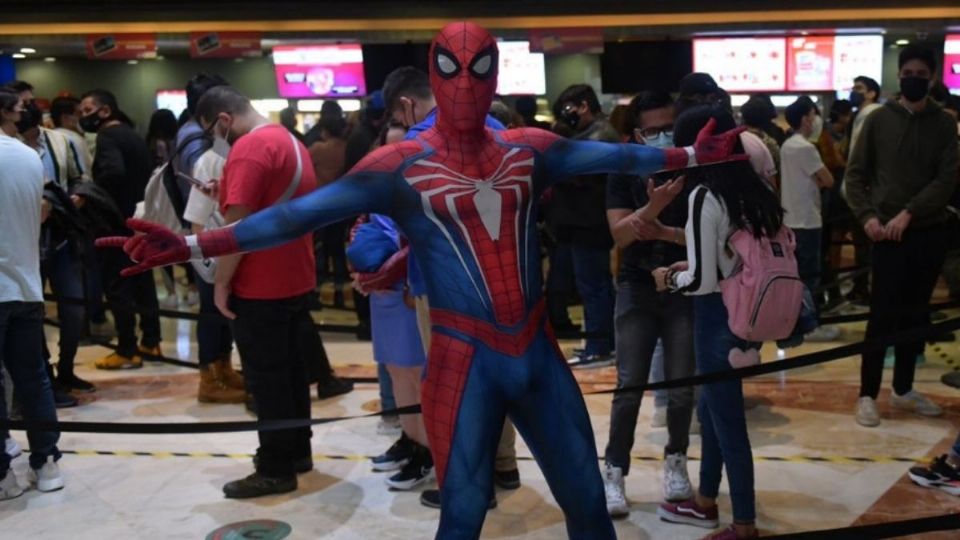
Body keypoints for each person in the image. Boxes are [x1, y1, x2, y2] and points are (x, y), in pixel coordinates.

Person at [97, 22, 744, 539]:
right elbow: (295, 216)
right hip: (464, 358)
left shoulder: (528, 150)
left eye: (480, 67)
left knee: (587, 511)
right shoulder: (402, 163)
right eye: (451, 68)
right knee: (460, 515)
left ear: (496, 75)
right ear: (433, 75)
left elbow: (623, 154)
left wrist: (690, 154)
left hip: (534, 352)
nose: (466, 82)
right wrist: (190, 244)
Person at [380, 65, 523, 508]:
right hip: (504, 278)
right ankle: (503, 464)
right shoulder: (498, 128)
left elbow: (405, 217)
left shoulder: (416, 144)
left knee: (455, 383)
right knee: (495, 375)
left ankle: (470, 483)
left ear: (406, 104)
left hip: (443, 286)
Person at [655, 105, 775, 540]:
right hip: (748, 314)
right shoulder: (754, 188)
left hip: (716, 318)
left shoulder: (705, 195)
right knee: (712, 412)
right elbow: (732, 259)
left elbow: (703, 280)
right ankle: (705, 500)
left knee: (727, 424)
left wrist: (670, 277)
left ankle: (743, 524)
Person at [196, 86, 320, 497]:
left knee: (266, 380)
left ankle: (274, 468)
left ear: (224, 120)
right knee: (292, 373)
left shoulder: (249, 148)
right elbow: (265, 202)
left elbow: (237, 232)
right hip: (295, 275)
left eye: (213, 130)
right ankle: (297, 452)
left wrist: (221, 282)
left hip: (261, 283)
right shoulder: (289, 140)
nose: (217, 139)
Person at [845, 46, 958, 427]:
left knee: (917, 315)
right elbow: (855, 175)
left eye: (920, 72)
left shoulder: (943, 124)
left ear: (932, 76)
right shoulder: (878, 120)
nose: (913, 77)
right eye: (907, 71)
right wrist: (867, 218)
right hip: (885, 236)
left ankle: (904, 388)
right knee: (882, 316)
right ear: (899, 75)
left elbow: (945, 180)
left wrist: (909, 212)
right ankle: (867, 394)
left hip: (927, 231)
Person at [603, 90, 695, 516]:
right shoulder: (623, 168)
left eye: (667, 129)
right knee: (630, 386)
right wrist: (654, 206)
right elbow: (619, 235)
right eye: (651, 131)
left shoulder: (695, 167)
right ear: (637, 133)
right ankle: (614, 470)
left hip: (685, 286)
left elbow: (706, 237)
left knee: (680, 388)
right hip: (636, 286)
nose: (659, 138)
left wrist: (663, 232)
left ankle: (677, 461)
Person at [0, 87, 64, 501]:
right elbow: (39, 213)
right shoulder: (28, 157)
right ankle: (47, 462)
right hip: (26, 284)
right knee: (33, 377)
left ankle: (3, 475)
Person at [79, 89, 163, 370]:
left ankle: (127, 349)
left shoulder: (108, 137)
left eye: (88, 109)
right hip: (141, 221)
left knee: (118, 286)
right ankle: (151, 341)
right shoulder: (133, 135)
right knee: (143, 282)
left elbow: (113, 172)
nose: (83, 115)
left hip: (115, 224)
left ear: (105, 110)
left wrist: (91, 194)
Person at [15, 101, 93, 397]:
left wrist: (76, 198)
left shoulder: (61, 141)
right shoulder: (10, 148)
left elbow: (82, 178)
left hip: (62, 234)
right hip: (25, 240)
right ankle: (44, 375)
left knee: (73, 307)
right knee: (32, 310)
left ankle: (67, 369)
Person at [549, 83, 618, 367]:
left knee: (595, 287)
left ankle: (601, 344)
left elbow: (579, 175)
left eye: (570, 109)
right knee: (593, 286)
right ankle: (599, 341)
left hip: (591, 222)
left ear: (584, 106)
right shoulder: (591, 134)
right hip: (583, 223)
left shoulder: (600, 136)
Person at [181, 142, 246, 405]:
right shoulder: (211, 159)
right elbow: (196, 216)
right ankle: (209, 378)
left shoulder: (235, 153)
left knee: (224, 312)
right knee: (211, 312)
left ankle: (224, 368)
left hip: (228, 247)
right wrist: (204, 257)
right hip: (212, 249)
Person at [780, 97, 838, 342]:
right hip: (808, 219)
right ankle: (811, 325)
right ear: (805, 118)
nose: (815, 120)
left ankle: (795, 322)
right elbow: (828, 180)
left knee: (796, 275)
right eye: (813, 115)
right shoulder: (806, 147)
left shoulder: (786, 146)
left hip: (790, 219)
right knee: (810, 274)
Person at [49, 96, 93, 180]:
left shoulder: (50, 136)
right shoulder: (72, 139)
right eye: (78, 113)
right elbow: (85, 173)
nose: (83, 116)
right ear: (65, 117)